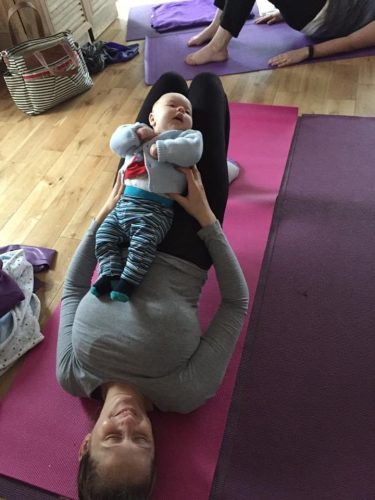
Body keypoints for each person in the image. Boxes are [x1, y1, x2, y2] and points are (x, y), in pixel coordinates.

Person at [57, 71, 249, 499]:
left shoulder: (72, 373)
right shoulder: (184, 392)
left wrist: (103, 211)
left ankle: (217, 164)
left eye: (112, 438)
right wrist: (207, 218)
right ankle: (219, 171)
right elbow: (236, 304)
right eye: (140, 440)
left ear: (85, 444)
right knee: (205, 89)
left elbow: (71, 292)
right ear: (156, 447)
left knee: (166, 86)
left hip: (125, 218)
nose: (127, 423)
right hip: (189, 237)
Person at [91, 93, 203, 302]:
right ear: (152, 118)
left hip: (156, 210)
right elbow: (116, 145)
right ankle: (109, 273)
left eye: (187, 112)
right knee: (103, 235)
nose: (181, 111)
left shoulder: (187, 137)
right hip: (122, 204)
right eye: (173, 105)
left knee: (143, 243)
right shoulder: (139, 131)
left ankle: (129, 281)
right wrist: (135, 134)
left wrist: (162, 148)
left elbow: (193, 152)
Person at [185, 0, 375, 68]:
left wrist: (305, 52)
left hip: (322, 19)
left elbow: (351, 42)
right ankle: (216, 25)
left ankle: (218, 47)